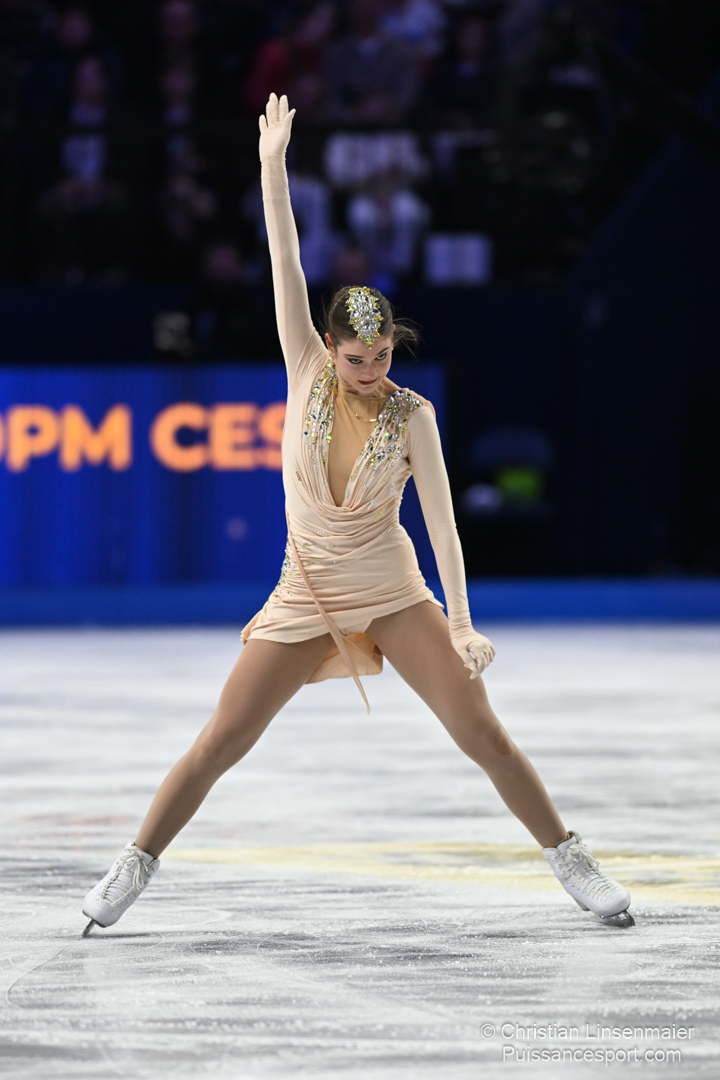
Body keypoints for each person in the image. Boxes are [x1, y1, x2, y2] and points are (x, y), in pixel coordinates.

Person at [82, 94, 634, 934]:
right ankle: (133, 865)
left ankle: (572, 860)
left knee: (483, 734)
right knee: (222, 740)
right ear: (329, 347)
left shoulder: (414, 416)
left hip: (391, 588)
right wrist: (272, 169)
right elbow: (285, 256)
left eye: (381, 356)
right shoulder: (304, 366)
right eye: (356, 358)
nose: (370, 370)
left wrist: (461, 623)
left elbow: (442, 525)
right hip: (305, 590)